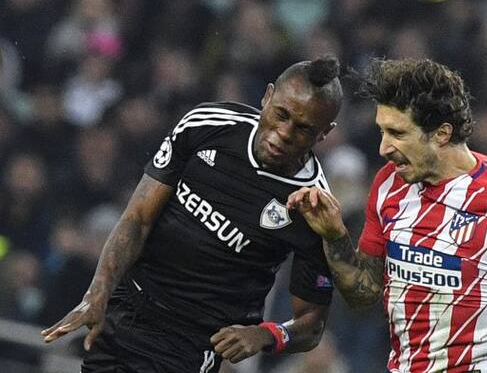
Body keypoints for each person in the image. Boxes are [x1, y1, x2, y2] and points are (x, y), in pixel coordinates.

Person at [289, 58, 487, 373]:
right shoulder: (388, 183)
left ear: (442, 133)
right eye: (382, 132)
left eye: (397, 133)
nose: (383, 148)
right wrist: (334, 236)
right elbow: (363, 295)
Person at [41, 56, 343, 372]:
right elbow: (137, 219)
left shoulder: (314, 206)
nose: (284, 133)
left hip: (191, 343)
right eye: (280, 115)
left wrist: (266, 335)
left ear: (324, 133)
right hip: (126, 310)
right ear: (267, 96)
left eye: (303, 129)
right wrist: (97, 293)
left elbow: (312, 324)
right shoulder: (207, 124)